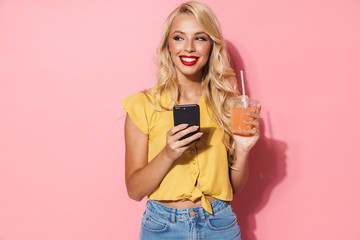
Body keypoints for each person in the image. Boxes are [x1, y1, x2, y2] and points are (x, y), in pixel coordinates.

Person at [121, 1, 260, 239]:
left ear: (211, 45)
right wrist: (168, 153)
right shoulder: (143, 104)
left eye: (200, 38)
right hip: (162, 227)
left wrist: (243, 149)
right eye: (179, 37)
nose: (189, 48)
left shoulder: (229, 104)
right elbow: (134, 191)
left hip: (219, 224)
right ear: (168, 44)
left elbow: (233, 188)